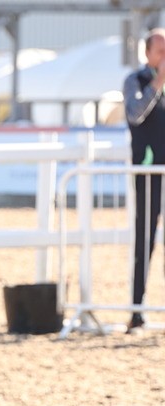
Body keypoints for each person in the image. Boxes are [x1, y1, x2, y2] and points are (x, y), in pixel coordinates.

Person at [124, 29, 165, 333]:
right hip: (148, 171)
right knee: (145, 239)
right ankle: (137, 310)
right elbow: (135, 114)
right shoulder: (135, 81)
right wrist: (157, 83)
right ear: (148, 53)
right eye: (160, 51)